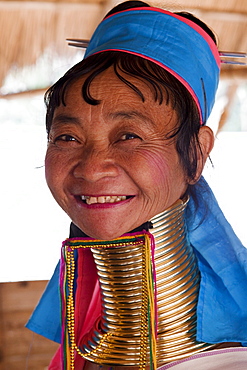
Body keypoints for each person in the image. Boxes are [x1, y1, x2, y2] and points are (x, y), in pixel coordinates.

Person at [26, 1, 247, 369]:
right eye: (67, 137)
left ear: (194, 153)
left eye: (129, 135)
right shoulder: (83, 351)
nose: (92, 168)